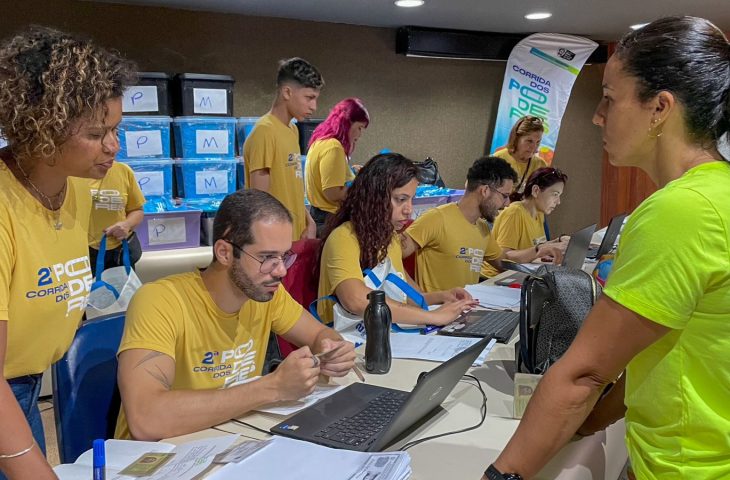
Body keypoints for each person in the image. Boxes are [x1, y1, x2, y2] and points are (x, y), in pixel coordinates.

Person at [482, 16, 730, 480]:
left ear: (659, 108)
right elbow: (646, 350)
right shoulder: (718, 193)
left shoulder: (681, 210)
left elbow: (585, 375)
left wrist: (501, 475)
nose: (597, 114)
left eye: (610, 99)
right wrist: (581, 426)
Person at [0, 27, 135, 479]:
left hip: (26, 386)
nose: (113, 146)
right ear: (43, 127)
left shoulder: (78, 190)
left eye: (116, 129)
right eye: (97, 133)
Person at [115, 189, 356, 441]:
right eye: (267, 257)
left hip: (227, 442)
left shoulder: (264, 293)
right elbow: (146, 419)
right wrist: (272, 387)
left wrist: (332, 349)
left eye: (284, 256)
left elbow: (319, 334)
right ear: (224, 252)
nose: (282, 271)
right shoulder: (159, 301)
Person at [318, 153, 478, 326]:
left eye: (411, 200)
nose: (409, 210)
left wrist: (443, 297)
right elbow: (355, 300)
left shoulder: (390, 237)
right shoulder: (343, 237)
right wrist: (434, 317)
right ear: (374, 197)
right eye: (401, 200)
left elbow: (406, 297)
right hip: (346, 343)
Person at [400, 156, 517, 293]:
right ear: (485, 191)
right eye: (505, 196)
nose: (508, 203)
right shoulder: (436, 219)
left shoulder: (482, 228)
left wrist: (537, 255)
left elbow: (502, 263)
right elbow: (391, 256)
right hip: (437, 310)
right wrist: (419, 296)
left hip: (467, 308)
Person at [244, 57, 323, 241]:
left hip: (297, 236)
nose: (314, 106)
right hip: (277, 243)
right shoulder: (265, 131)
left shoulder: (293, 129)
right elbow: (259, 202)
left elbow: (290, 186)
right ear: (287, 92)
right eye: (309, 98)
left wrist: (308, 220)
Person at [480, 167, 569, 277]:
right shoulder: (514, 213)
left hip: (521, 273)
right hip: (496, 278)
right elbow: (505, 257)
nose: (558, 201)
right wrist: (540, 249)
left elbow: (536, 246)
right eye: (555, 194)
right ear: (536, 191)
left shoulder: (539, 213)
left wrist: (558, 241)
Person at [305, 97, 370, 236]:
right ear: (347, 123)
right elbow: (333, 192)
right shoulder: (333, 147)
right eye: (359, 128)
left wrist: (351, 172)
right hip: (329, 218)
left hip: (320, 215)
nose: (359, 134)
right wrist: (364, 188)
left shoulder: (320, 142)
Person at [82, 161, 146, 275]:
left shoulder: (123, 171)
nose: (109, 156)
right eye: (105, 151)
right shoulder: (72, 173)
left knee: (123, 292)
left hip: (119, 252)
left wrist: (127, 224)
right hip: (83, 253)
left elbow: (137, 210)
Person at [493, 115, 548, 200]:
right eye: (529, 141)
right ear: (516, 138)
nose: (534, 147)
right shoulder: (498, 158)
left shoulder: (541, 165)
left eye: (538, 142)